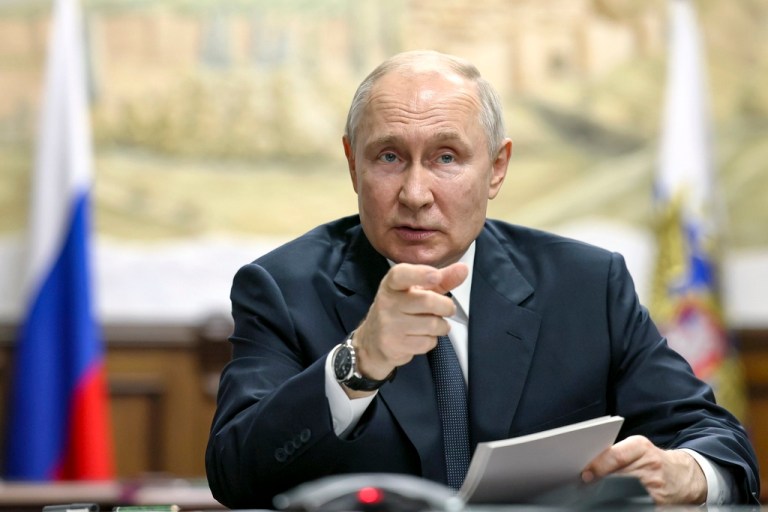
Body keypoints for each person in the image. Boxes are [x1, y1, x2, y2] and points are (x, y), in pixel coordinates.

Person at [205, 50, 760, 509]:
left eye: (446, 157)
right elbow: (235, 475)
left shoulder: (587, 286)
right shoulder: (281, 287)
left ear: (496, 168)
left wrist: (687, 472)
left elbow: (721, 443)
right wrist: (357, 362)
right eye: (390, 157)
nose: (416, 193)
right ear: (353, 165)